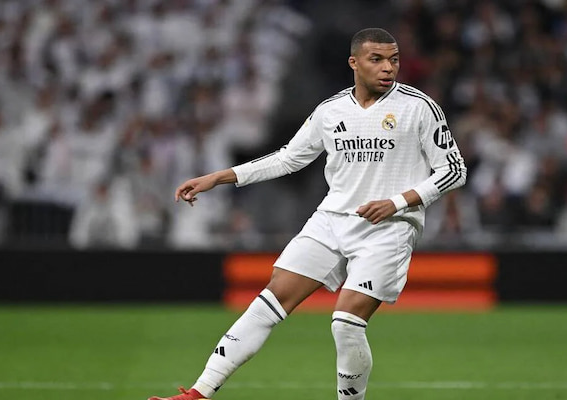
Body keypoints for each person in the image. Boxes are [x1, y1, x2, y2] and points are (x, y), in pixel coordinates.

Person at [149, 27, 467, 400]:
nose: (388, 68)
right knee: (269, 302)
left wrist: (396, 203)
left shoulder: (419, 107)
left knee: (345, 322)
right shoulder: (331, 111)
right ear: (354, 63)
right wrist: (220, 177)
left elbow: (454, 170)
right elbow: (288, 159)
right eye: (377, 59)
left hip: (389, 227)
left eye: (394, 60)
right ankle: (198, 394)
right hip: (332, 220)